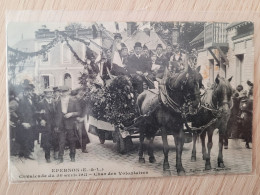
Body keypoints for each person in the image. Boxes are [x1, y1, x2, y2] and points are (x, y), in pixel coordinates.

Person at [54, 86, 81, 163]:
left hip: (70, 123)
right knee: (61, 141)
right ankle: (60, 158)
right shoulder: (57, 101)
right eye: (61, 92)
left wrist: (71, 114)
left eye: (64, 92)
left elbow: (79, 112)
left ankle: (72, 156)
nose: (63, 93)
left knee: (71, 141)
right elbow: (56, 114)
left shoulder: (74, 100)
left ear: (68, 92)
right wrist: (56, 125)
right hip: (61, 124)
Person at [16, 80, 36, 159]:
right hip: (25, 123)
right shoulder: (22, 100)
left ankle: (26, 153)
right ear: (24, 91)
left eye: (30, 91)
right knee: (26, 138)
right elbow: (19, 112)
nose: (29, 92)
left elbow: (33, 111)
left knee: (30, 137)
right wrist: (23, 122)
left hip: (31, 122)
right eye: (28, 91)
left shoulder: (31, 100)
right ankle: (26, 154)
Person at [38, 88, 56, 163]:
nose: (49, 94)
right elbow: (38, 114)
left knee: (55, 139)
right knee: (47, 141)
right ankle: (47, 157)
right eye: (47, 93)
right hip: (46, 124)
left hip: (54, 124)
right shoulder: (41, 103)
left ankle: (55, 154)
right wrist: (41, 119)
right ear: (45, 94)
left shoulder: (55, 102)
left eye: (50, 93)